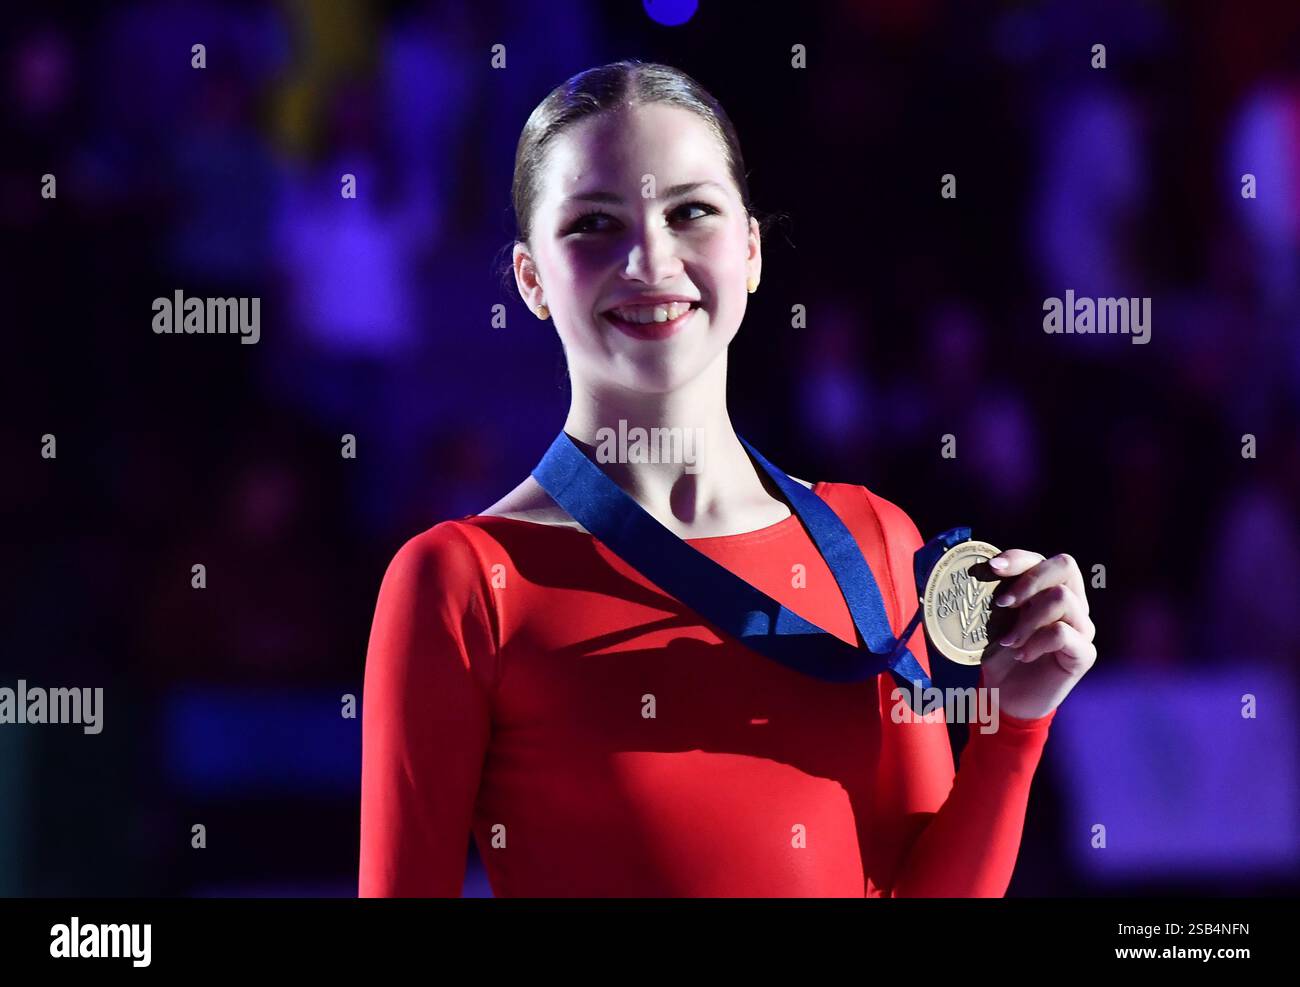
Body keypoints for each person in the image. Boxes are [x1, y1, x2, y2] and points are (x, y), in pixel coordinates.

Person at [358, 60, 1097, 897]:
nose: (649, 258)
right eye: (596, 223)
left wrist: (1016, 726)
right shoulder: (461, 584)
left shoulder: (876, 540)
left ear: (750, 249)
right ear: (531, 279)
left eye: (691, 212)